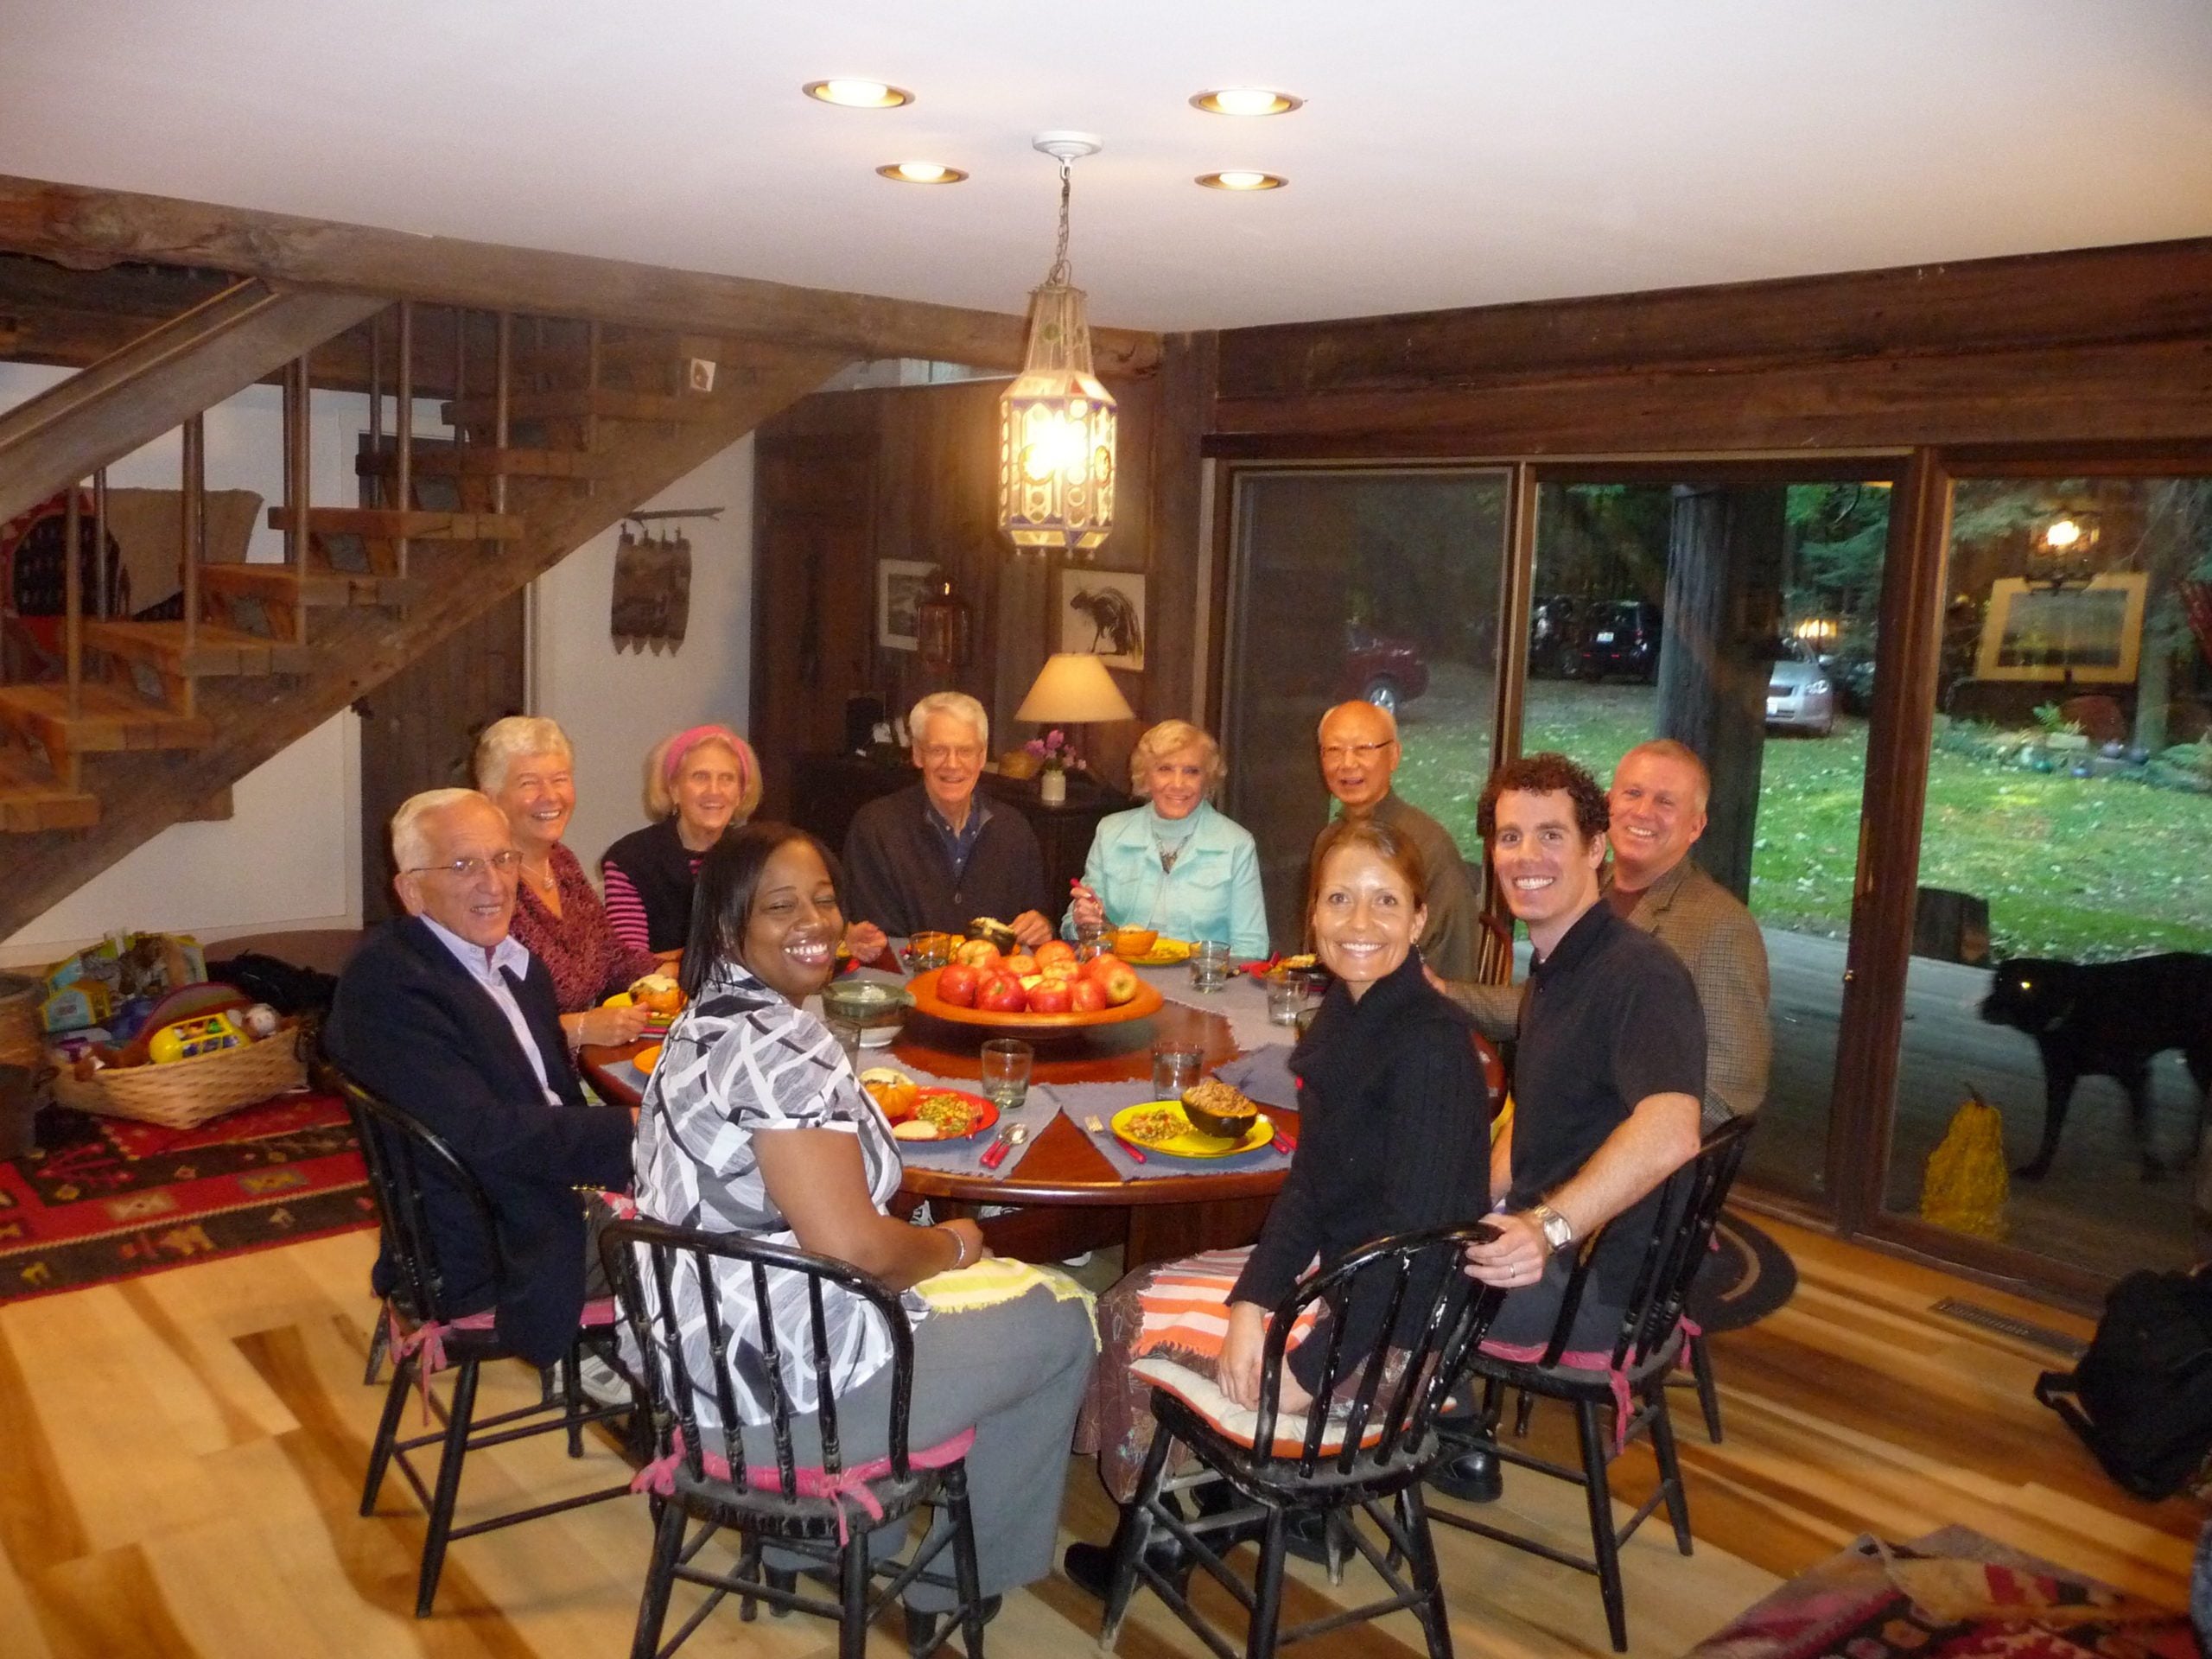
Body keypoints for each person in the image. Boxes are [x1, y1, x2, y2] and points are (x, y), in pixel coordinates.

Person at [629, 821, 1096, 1631]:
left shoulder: (702, 1024)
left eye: (823, 899)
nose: (814, 921)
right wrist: (953, 1246)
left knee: (969, 1306)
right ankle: (946, 1587)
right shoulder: (782, 1047)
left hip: (702, 1377)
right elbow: (852, 1249)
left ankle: (818, 1545)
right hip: (782, 1407)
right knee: (1058, 1317)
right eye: (781, 906)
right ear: (729, 926)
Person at [1065, 816, 1491, 1595]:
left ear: (1420, 918)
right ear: (1313, 915)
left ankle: (1173, 1533)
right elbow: (1313, 1188)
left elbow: (1419, 1251)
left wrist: (1308, 1369)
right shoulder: (1354, 1012)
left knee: (1131, 1315)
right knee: (1142, 1291)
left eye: (1384, 902)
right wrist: (1251, 1303)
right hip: (1350, 1280)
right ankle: (1194, 1516)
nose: (1359, 923)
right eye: (1339, 899)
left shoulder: (1428, 1045)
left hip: (1393, 1338)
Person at [324, 788, 634, 1369]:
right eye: (463, 865)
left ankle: (653, 1361)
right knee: (736, 1229)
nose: (494, 884)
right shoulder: (392, 986)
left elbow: (548, 1104)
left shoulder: (514, 968)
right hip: (496, 1245)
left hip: (532, 1197)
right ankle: (693, 1400)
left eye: (503, 858)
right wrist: (636, 1131)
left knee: (729, 1178)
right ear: (412, 891)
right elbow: (486, 1135)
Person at [1459, 753, 1706, 1349]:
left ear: (1595, 849)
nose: (1526, 857)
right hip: (1550, 1254)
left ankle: (1436, 1431)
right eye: (1511, 837)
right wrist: (1465, 1200)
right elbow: (1533, 1128)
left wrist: (1545, 1229)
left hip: (1588, 1287)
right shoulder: (1556, 970)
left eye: (1551, 835)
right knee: (1365, 1231)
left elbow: (1674, 1131)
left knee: (1368, 1283)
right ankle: (1447, 1427)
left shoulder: (1638, 973)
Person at [1437, 739, 1770, 1129]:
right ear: (1609, 804)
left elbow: (1728, 1095)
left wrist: (1587, 1135)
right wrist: (1442, 993)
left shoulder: (1720, 927)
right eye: (1633, 793)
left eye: (1666, 802)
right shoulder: (1585, 889)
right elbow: (1549, 1007)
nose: (1643, 812)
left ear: (1696, 826)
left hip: (1636, 1166)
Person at [476, 715, 660, 1052]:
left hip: (591, 1060)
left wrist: (670, 972)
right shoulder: (485, 888)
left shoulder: (562, 862)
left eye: (560, 779)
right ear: (491, 798)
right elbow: (483, 1021)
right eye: (528, 783)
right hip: (534, 1083)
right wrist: (580, 1028)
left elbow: (612, 957)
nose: (550, 796)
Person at [842, 691, 1053, 950]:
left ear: (982, 756)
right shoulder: (877, 828)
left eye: (965, 751)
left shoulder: (1014, 830)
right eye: (938, 750)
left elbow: (1036, 921)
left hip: (994, 984)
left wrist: (1040, 926)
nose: (952, 764)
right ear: (918, 754)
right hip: (906, 984)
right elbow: (880, 943)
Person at [1065, 719, 1269, 958]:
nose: (1178, 784)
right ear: (1145, 776)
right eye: (1165, 769)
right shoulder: (1111, 832)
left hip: (1201, 985)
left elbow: (1252, 948)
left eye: (1192, 771)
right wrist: (1084, 921)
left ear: (1208, 779)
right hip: (1122, 975)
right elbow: (1071, 925)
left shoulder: (1236, 844)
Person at [1312, 699, 1482, 981]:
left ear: (1394, 756)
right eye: (1333, 750)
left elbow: (1452, 959)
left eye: (1363, 749)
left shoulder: (1427, 844)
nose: (1347, 763)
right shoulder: (1328, 841)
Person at [601, 724, 763, 956]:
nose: (714, 791)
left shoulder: (759, 858)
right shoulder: (630, 860)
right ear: (674, 789)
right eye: (700, 777)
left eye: (727, 778)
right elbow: (630, 965)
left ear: (741, 793)